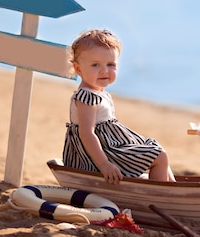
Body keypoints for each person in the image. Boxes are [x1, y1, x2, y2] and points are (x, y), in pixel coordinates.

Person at [63, 29, 175, 184]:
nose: (104, 70)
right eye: (95, 65)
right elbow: (86, 134)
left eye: (111, 64)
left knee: (156, 148)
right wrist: (104, 164)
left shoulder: (97, 92)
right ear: (78, 69)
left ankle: (171, 185)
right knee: (159, 156)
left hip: (111, 144)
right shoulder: (87, 97)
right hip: (100, 155)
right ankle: (161, 193)